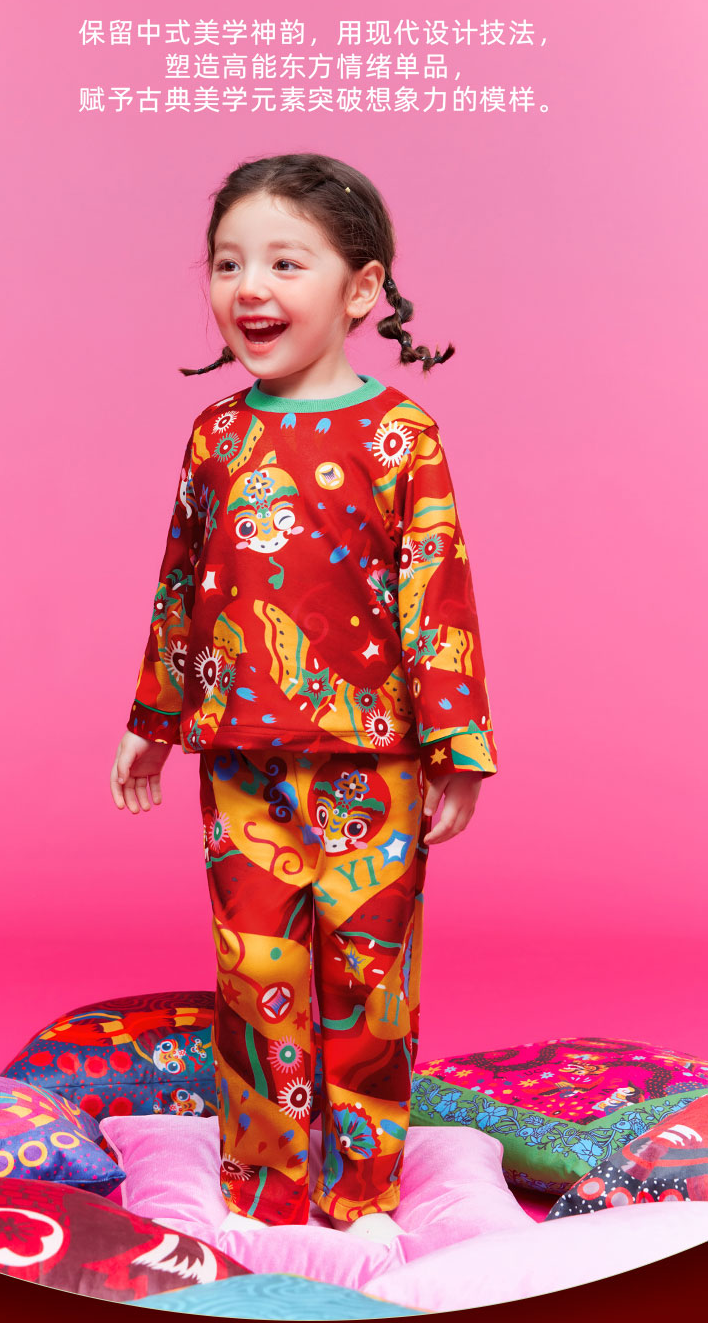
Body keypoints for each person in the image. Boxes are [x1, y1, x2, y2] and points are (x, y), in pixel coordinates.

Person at [110, 152, 497, 1244]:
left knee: (369, 986)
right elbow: (181, 586)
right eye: (228, 263)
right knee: (256, 976)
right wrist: (152, 723)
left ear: (361, 289)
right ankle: (266, 1195)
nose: (251, 287)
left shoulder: (399, 434)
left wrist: (458, 746)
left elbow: (435, 588)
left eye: (286, 262)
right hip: (240, 760)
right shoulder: (217, 435)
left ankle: (361, 1192)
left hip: (375, 768)